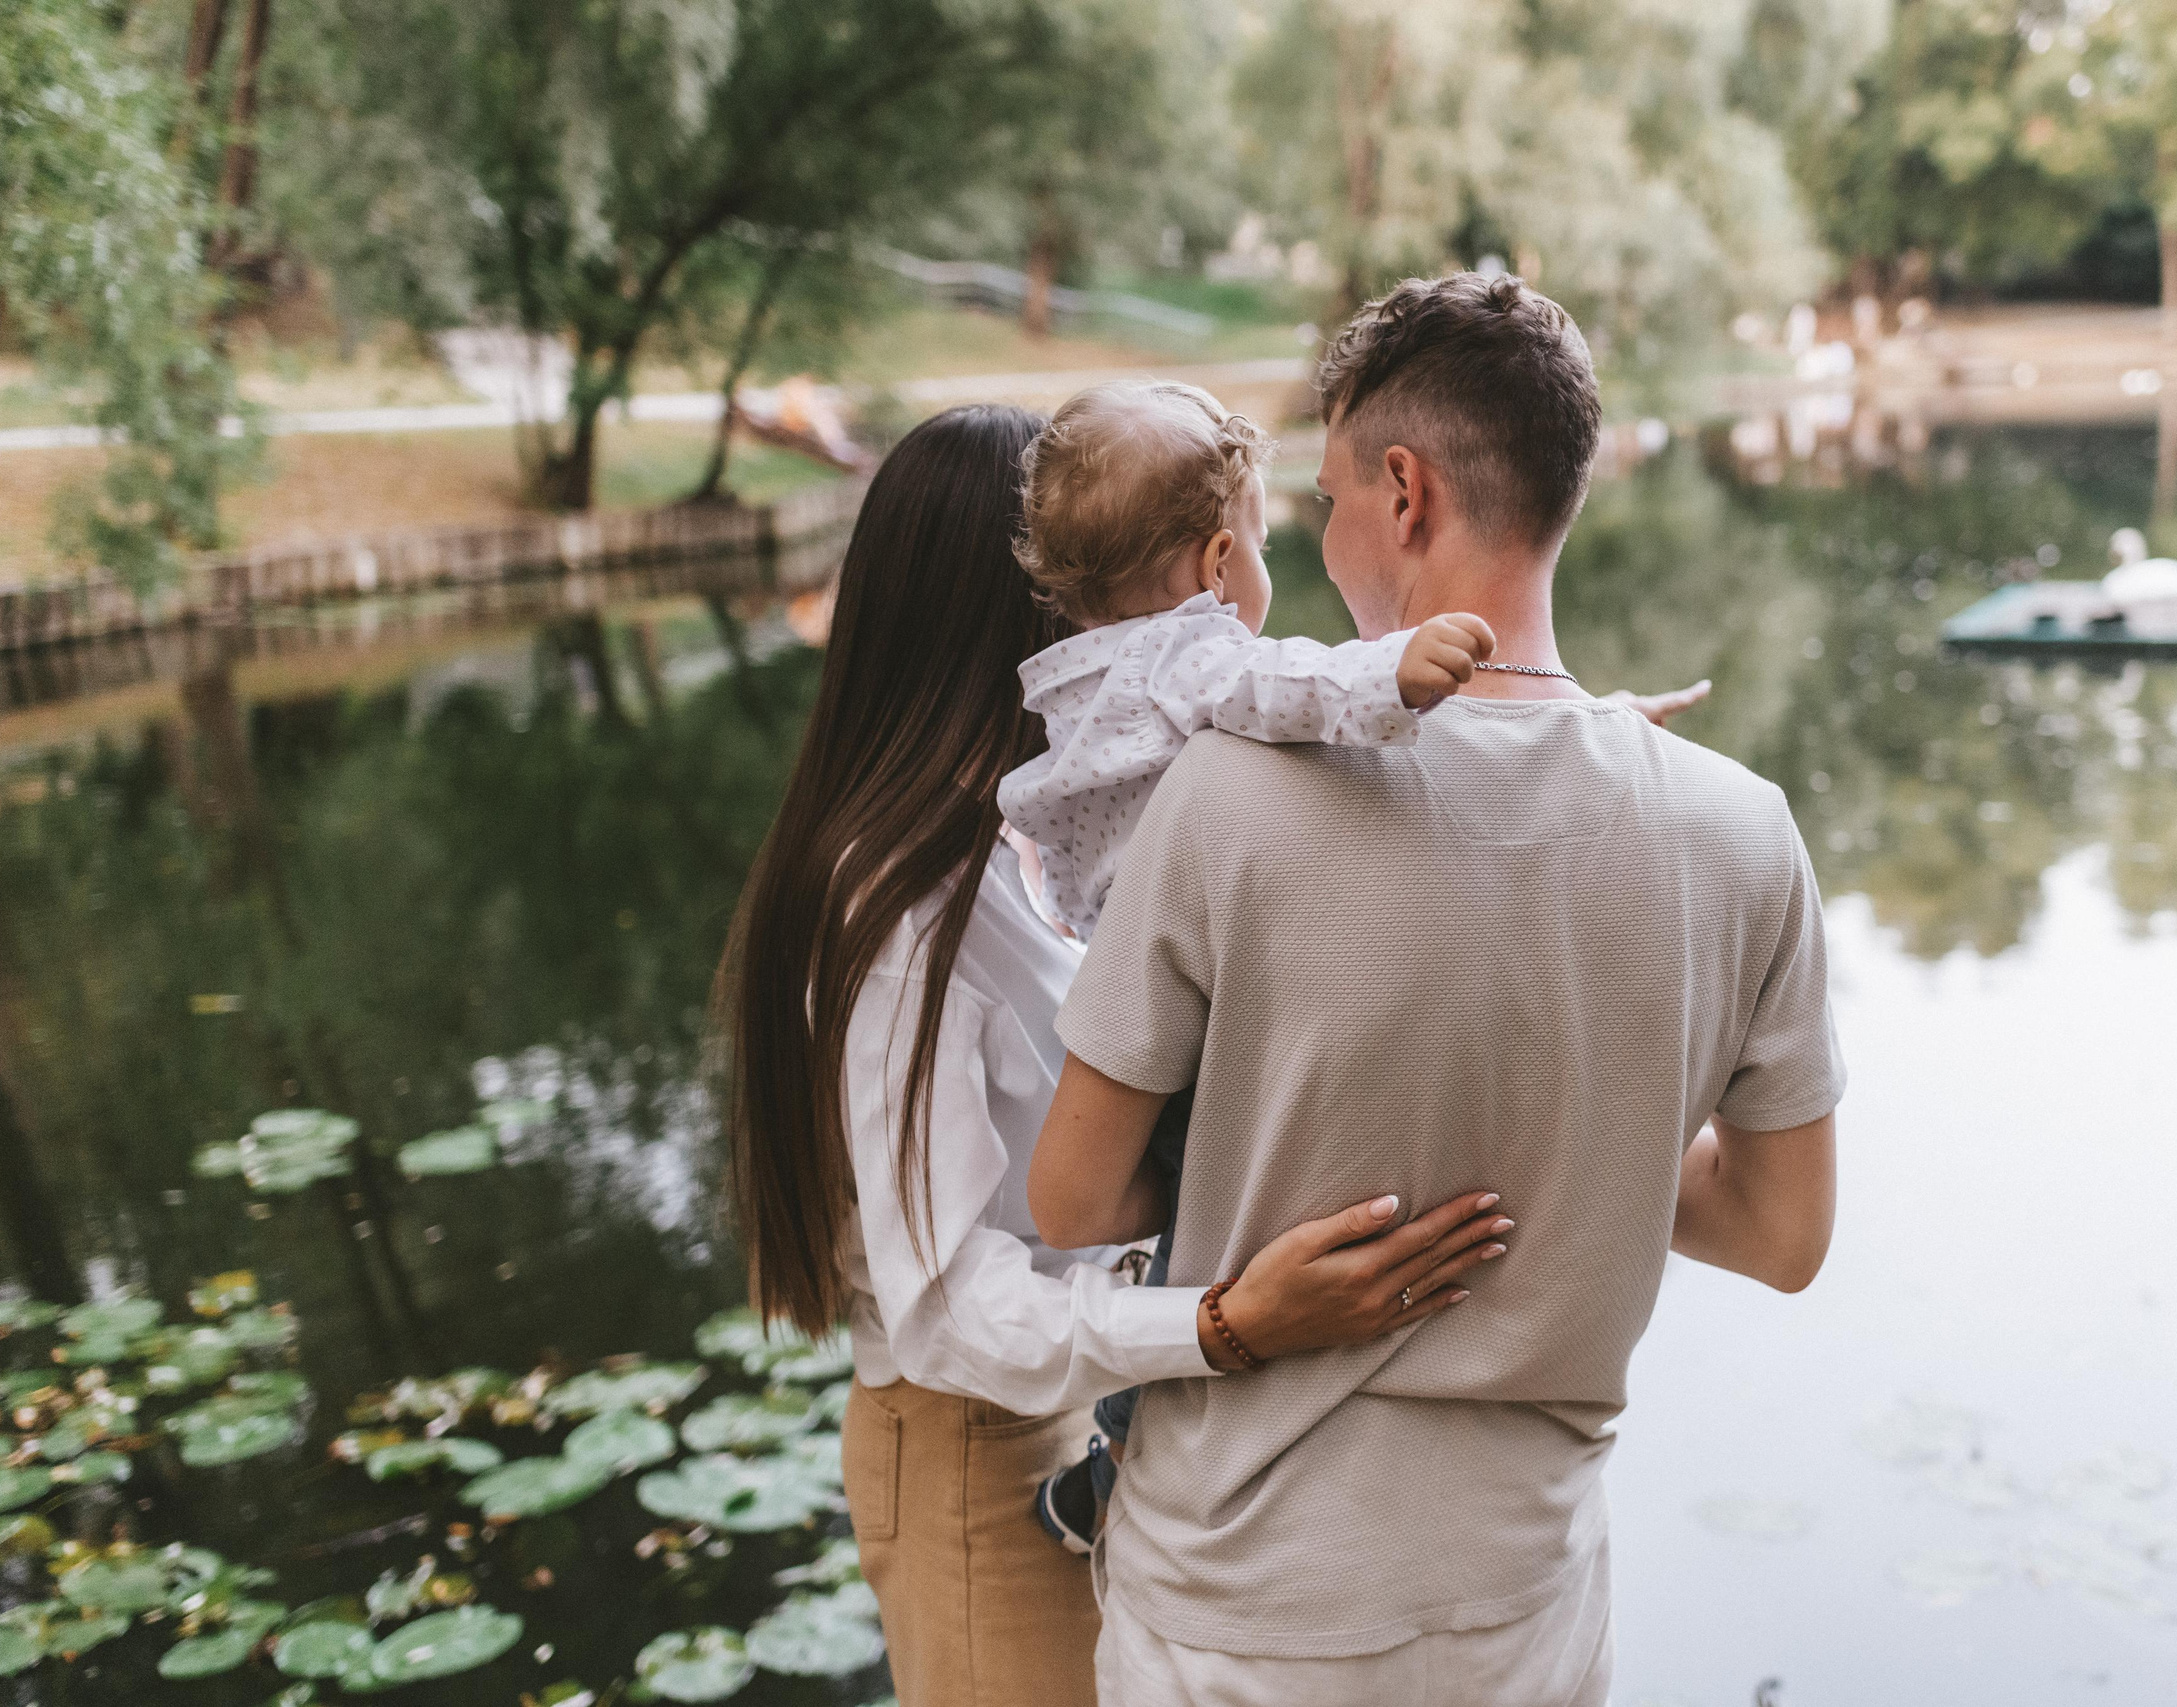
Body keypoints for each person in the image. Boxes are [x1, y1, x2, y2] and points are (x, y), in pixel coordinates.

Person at [1028, 274, 1845, 1705]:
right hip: (1527, 1615)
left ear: (1403, 494)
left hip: (1239, 1619)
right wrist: (1568, 1123)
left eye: (1330, 498)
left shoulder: (1222, 795)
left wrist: (1307, 1144)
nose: (1315, 535)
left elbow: (1076, 1198)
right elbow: (1782, 1234)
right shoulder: (1741, 830)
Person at [712, 402, 1513, 1707]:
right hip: (983, 1454)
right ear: (1018, 609)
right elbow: (944, 1305)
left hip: (1092, 1415)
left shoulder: (1033, 840)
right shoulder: (894, 910)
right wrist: (1224, 1325)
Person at [996, 378, 1712, 1551]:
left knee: (1188, 1238)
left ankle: (1113, 1461)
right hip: (1195, 1014)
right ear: (1218, 563)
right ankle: (1117, 1457)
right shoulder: (1187, 663)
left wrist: (1592, 718)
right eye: (1268, 538)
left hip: (1144, 989)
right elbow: (1288, 685)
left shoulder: (1081, 674)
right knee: (1221, 1240)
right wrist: (1397, 670)